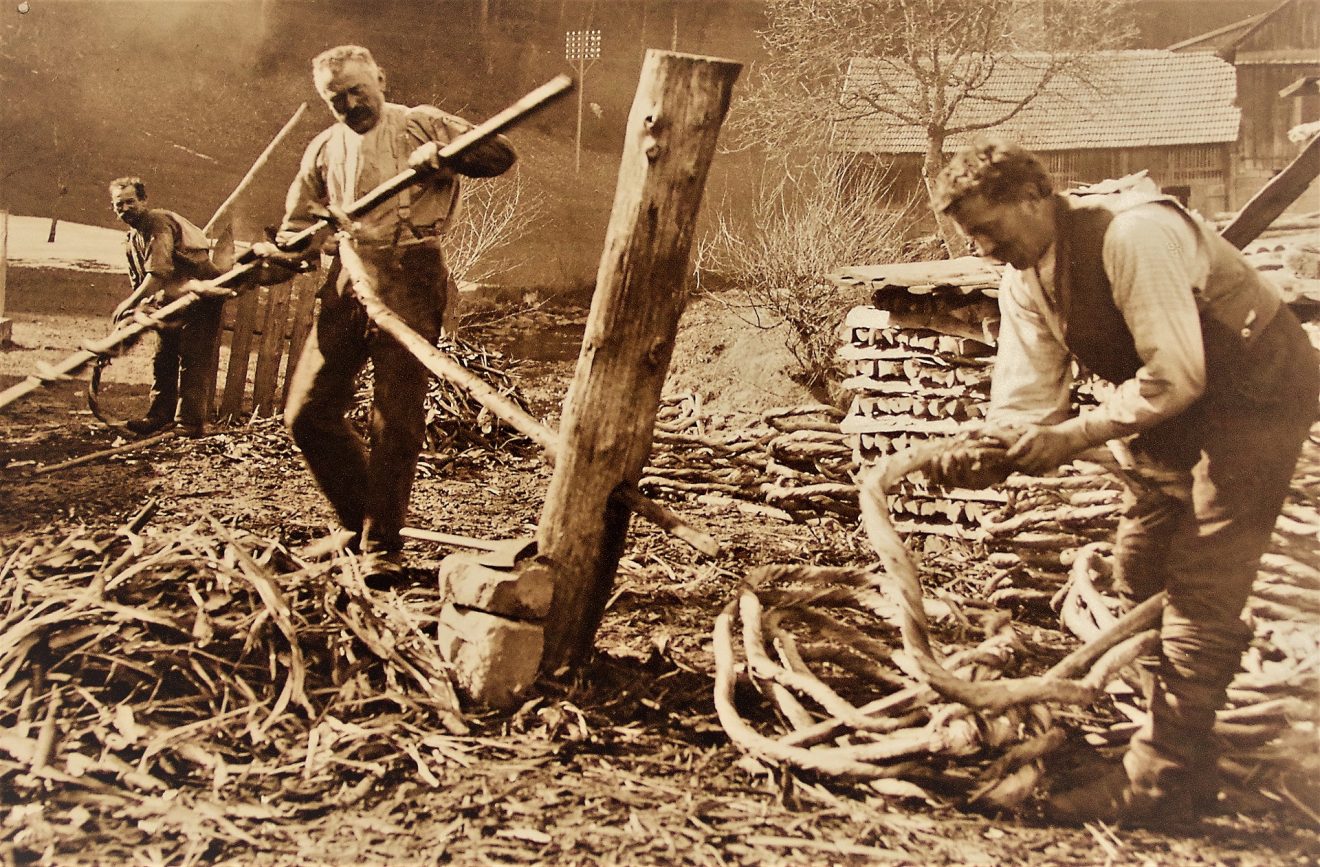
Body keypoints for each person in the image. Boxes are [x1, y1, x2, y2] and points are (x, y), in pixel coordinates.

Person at [929, 135, 1319, 826]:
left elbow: (1178, 374)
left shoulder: (1133, 234)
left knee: (1204, 578)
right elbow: (1024, 408)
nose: (983, 250)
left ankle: (1157, 779)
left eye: (989, 230)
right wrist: (982, 452)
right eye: (971, 238)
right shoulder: (1025, 280)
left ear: (1032, 196)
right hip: (1182, 407)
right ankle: (1186, 767)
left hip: (1256, 393)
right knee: (1140, 569)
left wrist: (1073, 437)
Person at [257, 45, 516, 570]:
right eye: (337, 99)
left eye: (359, 90)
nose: (351, 104)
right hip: (350, 277)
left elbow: (501, 155)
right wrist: (286, 250)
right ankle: (358, 522)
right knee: (307, 414)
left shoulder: (422, 124)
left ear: (380, 77)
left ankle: (382, 544)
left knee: (395, 419)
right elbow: (298, 226)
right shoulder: (324, 149)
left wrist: (450, 156)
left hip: (412, 277)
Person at [109, 177, 228, 438]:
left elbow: (158, 274)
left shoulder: (156, 222)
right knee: (163, 358)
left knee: (193, 358)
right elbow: (142, 285)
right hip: (171, 304)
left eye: (131, 202)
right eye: (119, 205)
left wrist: (127, 304)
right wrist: (130, 316)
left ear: (144, 201)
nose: (125, 208)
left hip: (200, 297)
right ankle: (159, 416)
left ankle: (189, 423)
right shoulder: (132, 239)